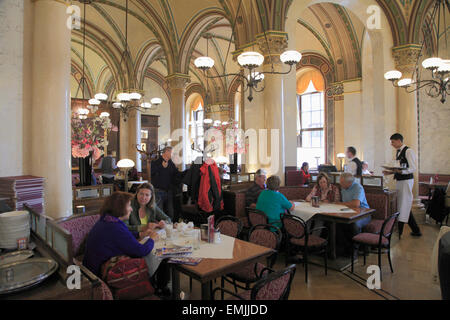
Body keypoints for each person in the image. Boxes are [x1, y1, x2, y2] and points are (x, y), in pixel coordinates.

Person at [82, 192, 160, 285]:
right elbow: (141, 251)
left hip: (90, 267)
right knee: (152, 256)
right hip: (97, 276)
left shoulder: (107, 219)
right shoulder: (115, 227)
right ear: (120, 208)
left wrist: (140, 234)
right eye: (129, 206)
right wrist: (151, 239)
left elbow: (123, 236)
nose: (131, 209)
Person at [125, 183, 171, 293]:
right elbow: (124, 228)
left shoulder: (152, 207)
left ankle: (162, 285)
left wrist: (163, 223)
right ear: (136, 194)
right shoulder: (129, 207)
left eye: (147, 195)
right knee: (156, 253)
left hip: (149, 239)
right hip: (136, 240)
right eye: (141, 194)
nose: (144, 197)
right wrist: (143, 227)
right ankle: (151, 283)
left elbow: (168, 218)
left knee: (164, 254)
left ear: (151, 197)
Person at [383, 133, 421, 238]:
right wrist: (390, 172)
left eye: (393, 142)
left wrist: (401, 172)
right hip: (400, 181)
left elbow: (413, 168)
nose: (392, 144)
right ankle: (416, 230)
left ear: (399, 141)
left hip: (406, 181)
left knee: (403, 205)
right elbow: (399, 168)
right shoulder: (398, 152)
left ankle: (398, 233)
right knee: (404, 205)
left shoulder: (408, 151)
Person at [337, 172, 371, 256]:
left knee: (354, 225)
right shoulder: (343, 188)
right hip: (349, 212)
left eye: (342, 183)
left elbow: (356, 204)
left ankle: (355, 249)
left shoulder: (358, 188)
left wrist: (341, 204)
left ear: (349, 183)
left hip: (364, 213)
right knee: (337, 224)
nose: (340, 184)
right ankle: (343, 249)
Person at [151, 146, 180, 220]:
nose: (173, 154)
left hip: (169, 191)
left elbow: (176, 174)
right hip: (158, 191)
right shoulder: (156, 161)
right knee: (160, 213)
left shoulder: (171, 163)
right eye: (172, 152)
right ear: (166, 152)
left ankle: (170, 229)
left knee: (170, 212)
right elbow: (152, 173)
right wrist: (161, 166)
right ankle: (160, 230)